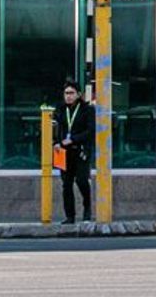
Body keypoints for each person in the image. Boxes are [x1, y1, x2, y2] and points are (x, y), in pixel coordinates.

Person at [54, 80, 96, 223]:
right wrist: (56, 143)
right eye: (66, 93)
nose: (68, 96)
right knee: (66, 184)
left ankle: (87, 210)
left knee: (82, 180)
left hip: (80, 150)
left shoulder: (87, 110)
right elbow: (56, 128)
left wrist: (73, 139)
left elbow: (90, 131)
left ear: (78, 94)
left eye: (71, 93)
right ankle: (70, 216)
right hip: (63, 152)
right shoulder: (60, 109)